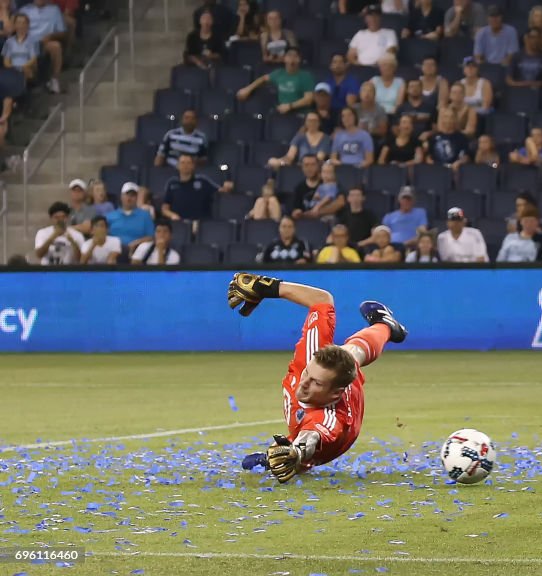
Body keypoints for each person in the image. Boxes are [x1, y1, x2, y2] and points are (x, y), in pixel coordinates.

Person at [231, 272, 408, 484]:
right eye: (308, 374)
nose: (304, 383)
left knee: (351, 357)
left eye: (316, 383)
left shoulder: (329, 418)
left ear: (335, 393)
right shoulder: (311, 357)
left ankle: (295, 460)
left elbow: (311, 437)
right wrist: (269, 288)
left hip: (338, 437)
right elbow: (323, 300)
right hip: (336, 374)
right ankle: (386, 324)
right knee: (351, 352)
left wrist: (296, 451)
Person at [237, 47, 315, 115]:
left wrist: (290, 106)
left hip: (300, 113)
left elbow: (308, 99)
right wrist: (248, 89)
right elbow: (263, 79)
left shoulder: (305, 76)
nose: (292, 58)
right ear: (284, 58)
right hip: (282, 112)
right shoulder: (279, 73)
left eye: (295, 56)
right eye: (289, 55)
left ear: (299, 59)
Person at [162, 154, 232, 221]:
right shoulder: (172, 184)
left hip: (200, 223)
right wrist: (172, 215)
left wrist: (228, 185)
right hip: (179, 223)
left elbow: (222, 191)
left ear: (193, 166)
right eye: (182, 163)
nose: (185, 165)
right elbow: (165, 209)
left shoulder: (202, 182)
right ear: (177, 166)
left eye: (188, 163)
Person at [19, 0, 65, 93]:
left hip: (45, 42)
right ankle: (32, 83)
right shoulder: (24, 10)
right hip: (28, 42)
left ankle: (54, 80)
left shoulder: (54, 10)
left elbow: (62, 32)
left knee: (56, 46)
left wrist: (51, 36)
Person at [106, 183, 154, 254]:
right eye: (127, 194)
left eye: (132, 195)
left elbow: (151, 237)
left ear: (137, 198)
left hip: (137, 250)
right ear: (121, 196)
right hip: (112, 250)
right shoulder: (110, 216)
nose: (129, 198)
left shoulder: (145, 215)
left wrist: (137, 243)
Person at [3, 14, 38, 83]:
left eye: (24, 23)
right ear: (15, 25)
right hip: (13, 68)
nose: (21, 25)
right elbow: (6, 61)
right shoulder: (9, 42)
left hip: (27, 68)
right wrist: (13, 67)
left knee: (25, 70)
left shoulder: (33, 40)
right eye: (18, 23)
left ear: (28, 25)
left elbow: (33, 59)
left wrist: (21, 67)